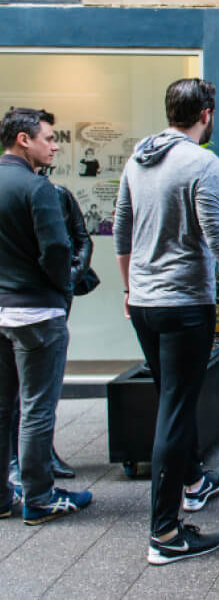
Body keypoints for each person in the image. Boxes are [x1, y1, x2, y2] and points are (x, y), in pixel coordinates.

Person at [114, 79, 219, 564]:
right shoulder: (202, 162)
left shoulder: (138, 158)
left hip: (145, 303)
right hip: (184, 303)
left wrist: (129, 290)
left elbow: (121, 230)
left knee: (171, 397)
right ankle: (165, 533)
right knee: (176, 408)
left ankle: (194, 479)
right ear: (206, 114)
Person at [0, 107, 93, 525]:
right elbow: (57, 248)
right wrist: (63, 284)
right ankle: (39, 497)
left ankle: (2, 496)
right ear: (24, 140)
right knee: (37, 407)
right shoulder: (36, 187)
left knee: (3, 406)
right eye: (49, 138)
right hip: (37, 311)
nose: (54, 146)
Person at [8, 174, 93, 486]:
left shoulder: (58, 194)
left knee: (41, 389)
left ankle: (42, 456)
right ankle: (19, 466)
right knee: (22, 392)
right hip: (22, 302)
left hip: (51, 298)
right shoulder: (21, 195)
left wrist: (69, 277)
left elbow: (81, 239)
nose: (54, 149)